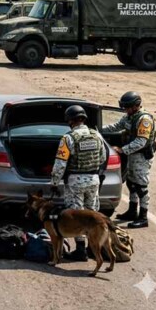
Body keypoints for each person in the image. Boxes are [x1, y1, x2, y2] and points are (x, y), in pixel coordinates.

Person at [50, 105, 106, 261]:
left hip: (75, 182)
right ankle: (92, 248)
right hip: (93, 180)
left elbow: (60, 163)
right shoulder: (97, 135)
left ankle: (80, 250)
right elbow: (102, 158)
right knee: (92, 213)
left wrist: (54, 182)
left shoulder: (68, 138)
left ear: (70, 121)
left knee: (76, 216)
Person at [101, 91, 156, 229]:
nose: (125, 109)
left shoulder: (144, 120)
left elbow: (141, 142)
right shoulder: (130, 116)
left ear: (136, 106)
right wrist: (97, 128)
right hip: (132, 155)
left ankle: (143, 217)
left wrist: (122, 150)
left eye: (127, 107)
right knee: (131, 183)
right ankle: (132, 211)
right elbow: (116, 127)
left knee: (141, 186)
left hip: (141, 156)